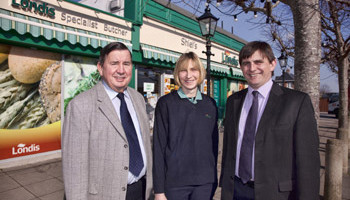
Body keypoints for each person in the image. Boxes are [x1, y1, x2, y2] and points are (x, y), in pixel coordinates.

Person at [220, 41, 320, 200]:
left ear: (273, 64)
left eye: (258, 62)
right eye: (246, 63)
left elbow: (308, 161)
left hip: (277, 194)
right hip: (236, 190)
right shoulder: (233, 101)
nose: (252, 68)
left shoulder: (296, 102)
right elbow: (229, 148)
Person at [62, 42, 153, 200]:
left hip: (142, 190)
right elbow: (74, 170)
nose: (121, 70)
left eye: (126, 63)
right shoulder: (80, 105)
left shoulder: (138, 99)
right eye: (114, 63)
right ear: (100, 67)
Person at [153, 52, 218, 200]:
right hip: (175, 184)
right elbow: (158, 148)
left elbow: (214, 147)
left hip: (204, 184)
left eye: (193, 70)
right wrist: (159, 190)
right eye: (183, 70)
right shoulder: (165, 104)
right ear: (177, 73)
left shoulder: (210, 104)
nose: (189, 75)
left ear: (200, 72)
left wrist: (213, 180)